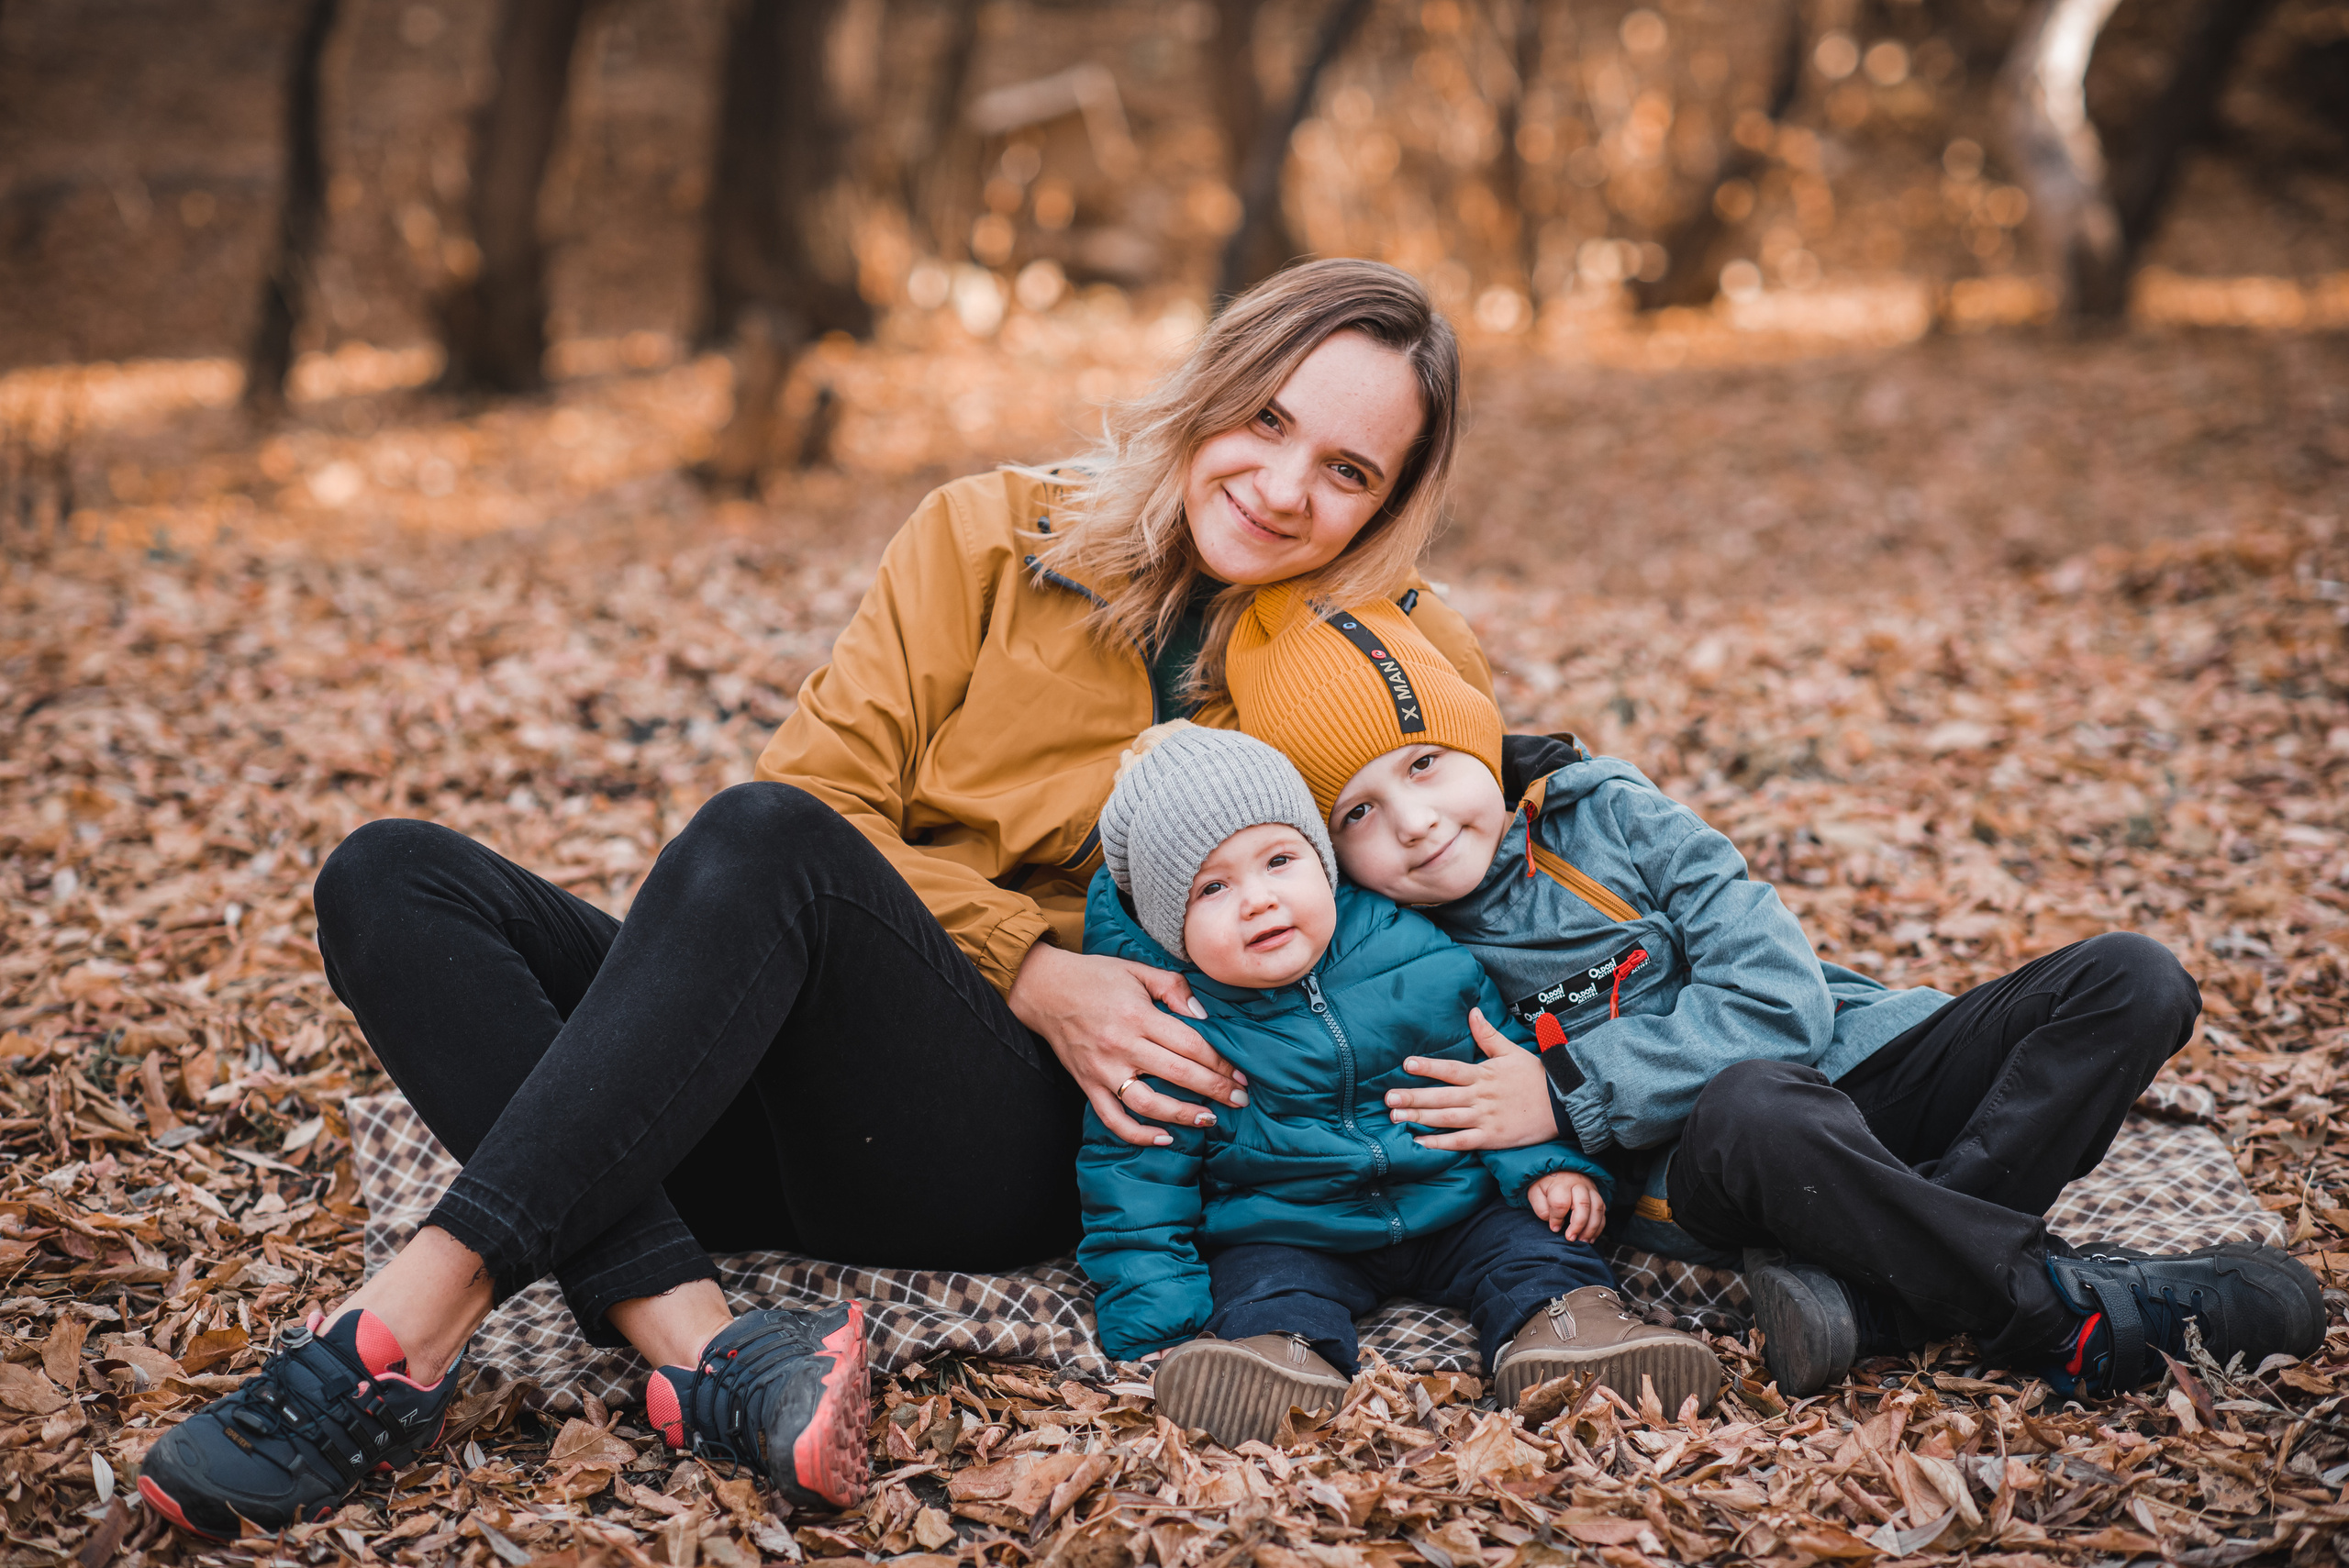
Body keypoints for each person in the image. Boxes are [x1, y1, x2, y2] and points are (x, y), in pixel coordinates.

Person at [136, 260, 1517, 1540]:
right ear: (1212, 389)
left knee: (767, 838)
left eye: (1346, 470)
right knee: (392, 876)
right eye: (1265, 420)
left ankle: (396, 1337)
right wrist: (1032, 960)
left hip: (1036, 1133)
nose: (1283, 487)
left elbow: (1482, 870)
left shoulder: (1377, 656)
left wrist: (1560, 1085)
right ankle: (699, 1345)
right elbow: (826, 797)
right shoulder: (986, 537)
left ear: (1388, 507)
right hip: (794, 1075)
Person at [1228, 583, 2325, 1398]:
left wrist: (1562, 1083)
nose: (1412, 820)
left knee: (2130, 977)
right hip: (1727, 1158)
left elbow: (1780, 992)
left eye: (1423, 764)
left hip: (1866, 1062)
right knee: (1756, 1099)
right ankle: (2058, 1316)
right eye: (1355, 813)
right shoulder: (1385, 951)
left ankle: (1891, 1292)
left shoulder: (1610, 816)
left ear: (1477, 739)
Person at [1074, 725, 1722, 1446]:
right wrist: (1158, 1318)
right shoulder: (1174, 1027)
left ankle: (1572, 1330)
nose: (1258, 899)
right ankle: (1275, 1361)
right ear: (1169, 926)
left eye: (1280, 859)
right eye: (1213, 887)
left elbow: (1497, 1062)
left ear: (1322, 863)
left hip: (1455, 1197)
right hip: (1292, 1226)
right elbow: (1135, 1175)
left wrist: (1548, 1165)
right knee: (1264, 1287)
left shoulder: (1415, 947)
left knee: (1534, 1248)